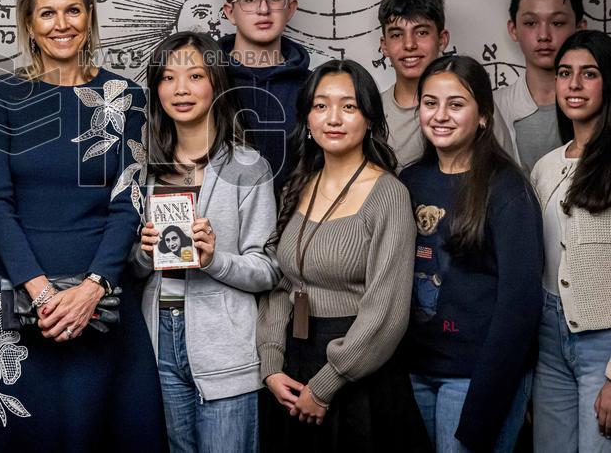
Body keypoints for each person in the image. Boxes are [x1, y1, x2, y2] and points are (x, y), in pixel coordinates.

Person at [0, 0, 165, 452]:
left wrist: (92, 288)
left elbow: (128, 203)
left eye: (73, 10)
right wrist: (44, 293)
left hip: (103, 298)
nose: (61, 24)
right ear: (29, 23)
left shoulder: (125, 96)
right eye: (47, 13)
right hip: (17, 292)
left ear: (89, 15)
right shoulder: (0, 95)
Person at [257, 59, 429, 452]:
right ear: (307, 118)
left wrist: (325, 385)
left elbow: (387, 311)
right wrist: (271, 364)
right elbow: (283, 285)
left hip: (358, 373)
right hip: (294, 367)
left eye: (348, 106)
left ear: (369, 118)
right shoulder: (297, 186)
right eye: (321, 106)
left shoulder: (388, 195)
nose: (333, 118)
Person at [135, 31, 278, 452]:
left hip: (225, 345)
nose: (180, 89)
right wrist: (143, 254)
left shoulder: (248, 167)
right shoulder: (143, 169)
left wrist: (215, 258)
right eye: (168, 78)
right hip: (158, 339)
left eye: (195, 76)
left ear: (216, 83)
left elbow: (269, 269)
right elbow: (128, 266)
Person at [399, 55, 543, 452]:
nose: (440, 115)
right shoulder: (409, 181)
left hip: (476, 377)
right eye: (430, 103)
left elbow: (520, 304)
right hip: (416, 371)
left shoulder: (507, 189)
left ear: (482, 116)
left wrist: (484, 404)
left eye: (456, 104)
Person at [530, 30, 611, 452]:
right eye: (565, 73)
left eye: (589, 73)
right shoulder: (544, 167)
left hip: (603, 343)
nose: (574, 84)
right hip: (548, 341)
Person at [377, 0, 513, 170]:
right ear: (384, 45)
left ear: (442, 39)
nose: (409, 45)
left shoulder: (473, 106)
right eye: (396, 35)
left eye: (421, 32)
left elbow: (504, 174)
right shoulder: (371, 111)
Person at [218, 0, 311, 189]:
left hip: (296, 209)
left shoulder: (313, 87)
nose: (263, 9)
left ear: (290, 8)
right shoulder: (207, 80)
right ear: (230, 12)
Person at [497, 0, 586, 172]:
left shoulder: (601, 106)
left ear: (579, 28)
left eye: (557, 23)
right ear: (513, 29)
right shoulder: (492, 108)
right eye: (531, 23)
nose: (544, 35)